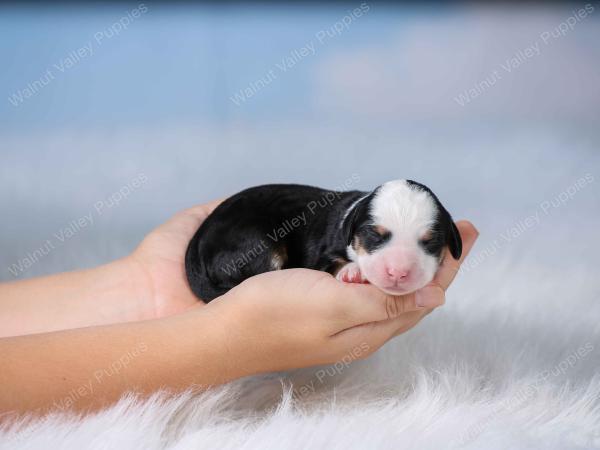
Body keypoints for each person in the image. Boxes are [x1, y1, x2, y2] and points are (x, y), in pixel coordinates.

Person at [0, 200, 478, 415]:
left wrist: (143, 288)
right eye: (377, 241)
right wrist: (222, 339)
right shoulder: (335, 237)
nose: (398, 267)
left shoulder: (351, 227)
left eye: (427, 245)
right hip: (238, 242)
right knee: (269, 251)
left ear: (447, 241)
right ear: (352, 231)